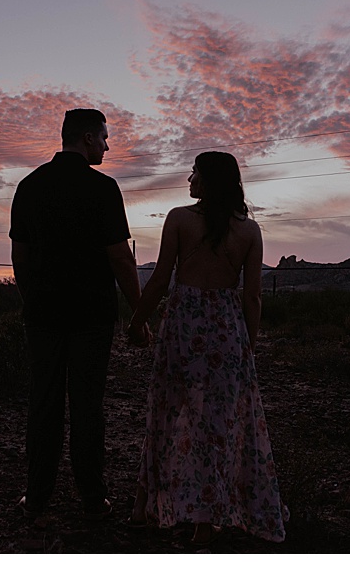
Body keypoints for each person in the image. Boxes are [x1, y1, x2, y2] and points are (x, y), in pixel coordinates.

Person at [125, 150, 288, 545]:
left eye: (194, 172)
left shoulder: (179, 219)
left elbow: (161, 278)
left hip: (183, 330)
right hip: (227, 335)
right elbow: (252, 298)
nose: (188, 179)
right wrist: (249, 344)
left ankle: (142, 508)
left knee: (166, 413)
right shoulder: (250, 231)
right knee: (218, 425)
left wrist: (137, 320)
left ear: (209, 180)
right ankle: (204, 523)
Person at [9, 108, 144, 520]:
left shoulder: (29, 186)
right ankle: (92, 496)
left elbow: (20, 256)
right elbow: (120, 257)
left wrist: (31, 298)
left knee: (44, 402)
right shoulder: (103, 189)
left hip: (43, 314)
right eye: (104, 137)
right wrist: (139, 311)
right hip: (92, 316)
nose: (107, 145)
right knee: (88, 406)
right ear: (86, 137)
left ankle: (37, 497)